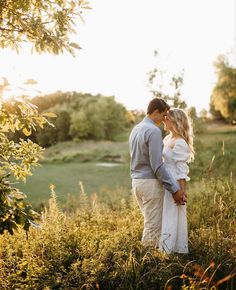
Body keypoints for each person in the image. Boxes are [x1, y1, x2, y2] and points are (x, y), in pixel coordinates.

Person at [129, 98, 185, 248]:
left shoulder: (136, 129)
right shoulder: (153, 131)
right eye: (164, 114)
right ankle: (147, 265)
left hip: (136, 183)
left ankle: (149, 261)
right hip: (150, 185)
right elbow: (157, 165)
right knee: (153, 227)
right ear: (155, 112)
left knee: (149, 224)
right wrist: (175, 189)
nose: (165, 118)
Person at [159, 108, 194, 254]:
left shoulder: (180, 142)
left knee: (173, 213)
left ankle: (170, 250)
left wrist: (181, 192)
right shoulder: (167, 139)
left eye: (166, 118)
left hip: (173, 183)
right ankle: (164, 248)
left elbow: (181, 171)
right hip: (165, 181)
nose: (163, 120)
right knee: (164, 214)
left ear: (175, 121)